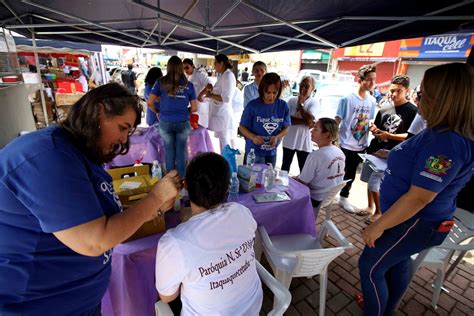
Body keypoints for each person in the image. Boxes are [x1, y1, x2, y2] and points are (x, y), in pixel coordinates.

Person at [0, 83, 181, 315]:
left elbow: (95, 215)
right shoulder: (47, 156)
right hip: (35, 305)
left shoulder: (76, 153)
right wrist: (155, 198)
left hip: (76, 303)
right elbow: (94, 240)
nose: (124, 141)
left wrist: (152, 208)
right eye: (122, 128)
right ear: (98, 111)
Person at [359, 63, 474, 316]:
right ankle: (384, 308)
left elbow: (420, 196)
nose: (416, 99)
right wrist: (392, 155)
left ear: (443, 100)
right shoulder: (437, 131)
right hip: (410, 220)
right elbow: (417, 163)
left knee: (370, 266)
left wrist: (378, 224)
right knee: (396, 264)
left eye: (422, 95)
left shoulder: (447, 142)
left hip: (417, 221)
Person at [155, 152, 263, 315]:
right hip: (253, 308)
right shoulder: (241, 212)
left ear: (186, 187)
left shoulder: (174, 243)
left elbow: (167, 297)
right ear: (228, 187)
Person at [363, 75, 418, 223]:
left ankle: (379, 212)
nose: (393, 94)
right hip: (376, 150)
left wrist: (390, 136)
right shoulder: (385, 107)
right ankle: (370, 207)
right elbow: (378, 128)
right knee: (369, 180)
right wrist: (375, 130)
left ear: (407, 90)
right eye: (391, 90)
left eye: (398, 91)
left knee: (377, 184)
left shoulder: (413, 111)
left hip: (394, 154)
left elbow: (411, 136)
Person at [335, 64, 377, 214]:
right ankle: (331, 195)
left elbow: (369, 121)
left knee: (351, 173)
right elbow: (337, 121)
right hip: (345, 143)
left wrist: (373, 129)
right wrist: (334, 141)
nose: (373, 83)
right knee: (338, 172)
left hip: (360, 144)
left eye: (374, 79)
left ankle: (344, 197)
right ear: (360, 80)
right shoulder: (347, 99)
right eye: (369, 80)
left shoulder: (372, 101)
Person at [147, 56, 198, 177]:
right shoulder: (188, 84)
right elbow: (195, 108)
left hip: (165, 122)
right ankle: (182, 181)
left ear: (168, 67)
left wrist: (158, 112)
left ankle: (170, 181)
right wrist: (185, 111)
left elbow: (149, 102)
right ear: (181, 68)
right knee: (181, 152)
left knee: (169, 151)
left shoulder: (160, 82)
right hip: (183, 122)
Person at [239, 72, 291, 166]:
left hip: (271, 151)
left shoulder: (283, 106)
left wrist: (277, 137)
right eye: (268, 93)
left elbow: (286, 128)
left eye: (275, 93)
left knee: (268, 178)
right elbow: (242, 127)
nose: (271, 97)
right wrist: (253, 137)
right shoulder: (252, 106)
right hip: (253, 152)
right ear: (262, 90)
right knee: (251, 178)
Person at [297, 118, 345, 208]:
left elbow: (303, 183)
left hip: (315, 197)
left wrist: (293, 180)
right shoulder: (340, 152)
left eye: (315, 129)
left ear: (326, 134)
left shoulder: (316, 156)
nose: (311, 131)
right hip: (329, 196)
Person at [281, 76, 319, 173]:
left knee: (304, 170)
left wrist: (301, 104)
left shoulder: (314, 102)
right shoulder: (291, 100)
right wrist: (306, 122)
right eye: (301, 85)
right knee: (285, 168)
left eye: (306, 86)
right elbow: (287, 120)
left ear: (312, 89)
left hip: (305, 142)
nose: (303, 88)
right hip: (289, 140)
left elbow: (310, 120)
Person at [199, 54, 235, 151]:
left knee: (224, 141)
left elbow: (227, 98)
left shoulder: (228, 76)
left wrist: (210, 95)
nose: (214, 65)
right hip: (218, 113)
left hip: (223, 114)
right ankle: (225, 161)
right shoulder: (222, 75)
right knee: (222, 140)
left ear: (221, 63)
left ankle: (227, 162)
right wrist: (211, 91)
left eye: (215, 63)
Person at [183, 58, 213, 128]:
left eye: (187, 67)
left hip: (200, 106)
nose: (185, 70)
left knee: (201, 128)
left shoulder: (200, 74)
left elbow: (210, 86)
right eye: (183, 68)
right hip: (192, 106)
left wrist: (201, 95)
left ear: (192, 66)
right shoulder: (187, 77)